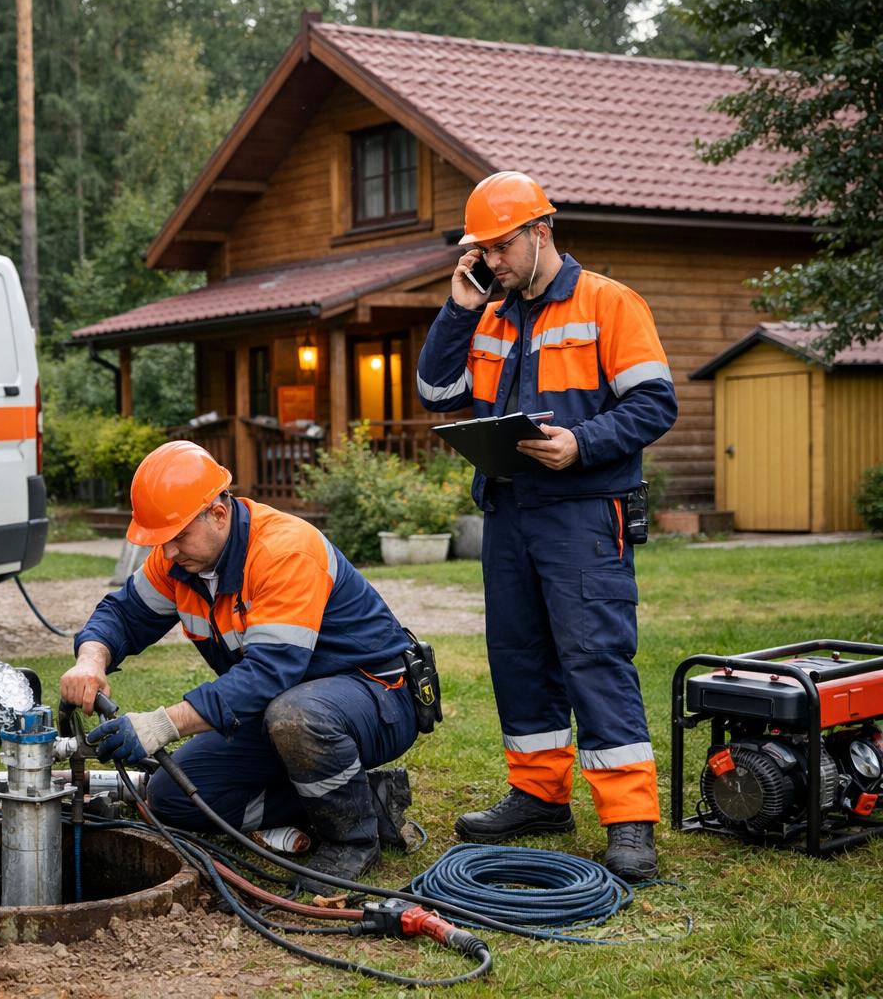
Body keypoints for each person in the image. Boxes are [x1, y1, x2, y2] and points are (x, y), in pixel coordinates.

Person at [415, 171, 677, 881]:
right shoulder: (491, 315)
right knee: (518, 656)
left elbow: (654, 404)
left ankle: (629, 822)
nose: (491, 261)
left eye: (500, 248)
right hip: (509, 512)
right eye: (482, 251)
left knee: (594, 657)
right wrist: (457, 309)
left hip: (585, 513)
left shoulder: (608, 303)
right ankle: (538, 795)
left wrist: (580, 445)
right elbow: (438, 392)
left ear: (541, 232)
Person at [60, 440, 420, 888]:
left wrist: (160, 725)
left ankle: (352, 840)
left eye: (177, 537)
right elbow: (122, 614)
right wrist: (91, 661)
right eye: (160, 541)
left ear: (218, 512)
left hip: (376, 697)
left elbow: (268, 675)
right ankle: (361, 796)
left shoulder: (284, 550)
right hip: (280, 711)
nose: (168, 554)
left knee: (296, 715)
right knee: (171, 798)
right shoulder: (180, 562)